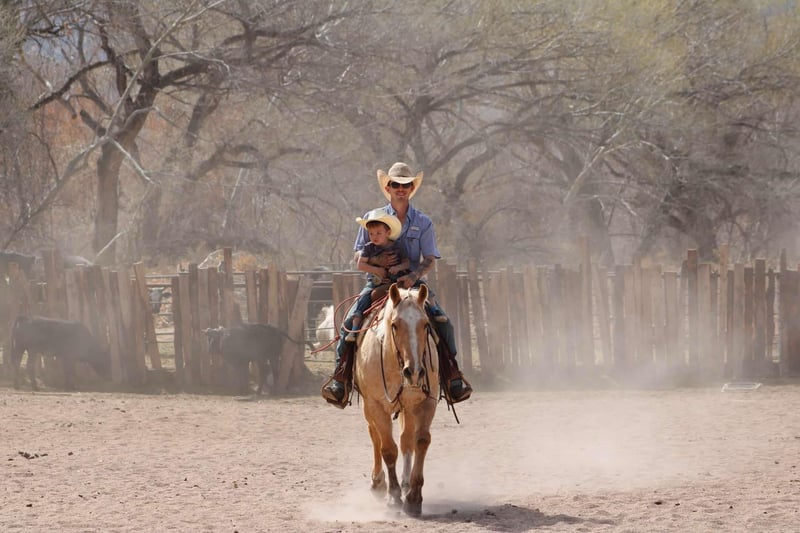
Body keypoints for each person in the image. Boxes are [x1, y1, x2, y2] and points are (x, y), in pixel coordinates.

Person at [322, 162, 473, 408]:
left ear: (412, 188)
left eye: (405, 184)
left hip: (412, 284)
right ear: (388, 188)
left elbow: (430, 258)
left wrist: (413, 276)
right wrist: (378, 264)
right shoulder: (373, 219)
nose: (400, 188)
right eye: (395, 184)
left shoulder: (423, 222)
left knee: (443, 322)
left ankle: (452, 376)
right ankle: (341, 378)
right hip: (378, 283)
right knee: (351, 322)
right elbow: (357, 255)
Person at [345, 208, 411, 342]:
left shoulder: (397, 246)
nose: (374, 237)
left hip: (398, 280)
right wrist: (377, 270)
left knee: (419, 292)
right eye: (371, 233)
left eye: (378, 233)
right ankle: (354, 329)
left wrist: (397, 267)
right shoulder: (368, 248)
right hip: (376, 282)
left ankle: (433, 311)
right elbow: (360, 264)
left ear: (388, 233)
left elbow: (406, 263)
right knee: (363, 299)